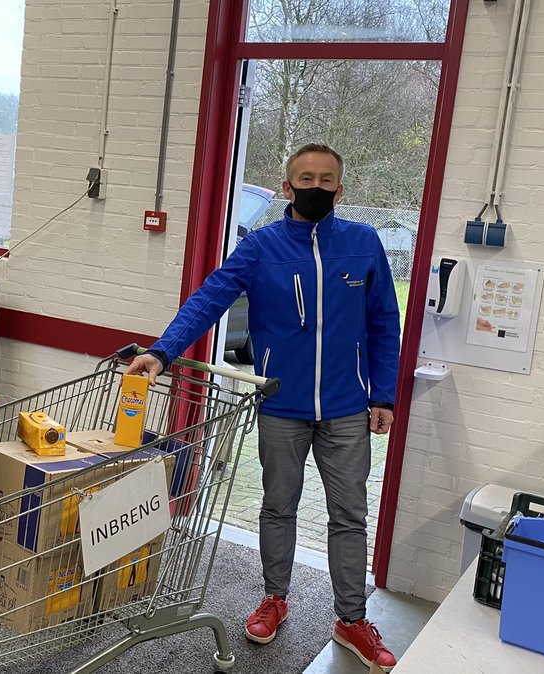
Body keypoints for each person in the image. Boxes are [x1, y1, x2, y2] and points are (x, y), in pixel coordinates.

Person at [125, 143, 401, 671]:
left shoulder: (364, 245)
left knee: (349, 515)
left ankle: (350, 619)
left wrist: (383, 393)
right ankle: (275, 598)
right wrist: (162, 352)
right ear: (285, 186)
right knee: (278, 506)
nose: (314, 187)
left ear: (340, 190)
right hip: (282, 405)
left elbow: (385, 325)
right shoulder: (261, 248)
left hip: (347, 407)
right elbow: (208, 299)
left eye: (325, 180)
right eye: (305, 178)